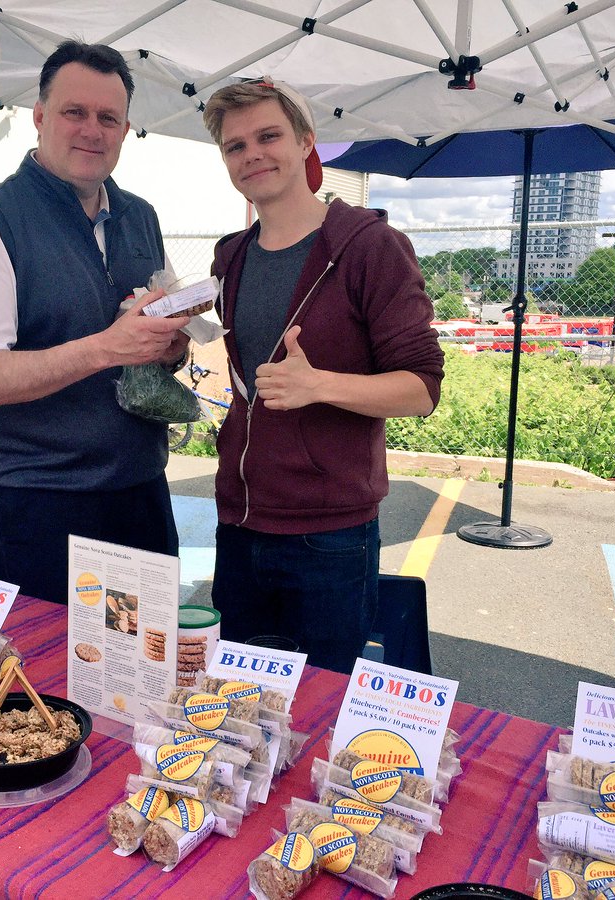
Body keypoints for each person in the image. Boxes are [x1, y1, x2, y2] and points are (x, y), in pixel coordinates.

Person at [201, 79, 445, 672]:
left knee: (321, 708)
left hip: (329, 534)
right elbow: (245, 378)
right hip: (238, 522)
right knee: (239, 709)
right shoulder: (229, 255)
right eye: (235, 146)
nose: (252, 154)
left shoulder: (370, 247)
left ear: (307, 140)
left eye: (268, 136)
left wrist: (321, 386)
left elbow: (422, 388)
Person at [0, 41, 189, 604]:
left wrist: (170, 344)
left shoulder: (140, 216)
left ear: (126, 131)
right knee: (60, 683)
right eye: (75, 112)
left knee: (145, 670)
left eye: (109, 118)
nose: (91, 131)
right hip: (40, 501)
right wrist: (109, 347)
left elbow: (162, 342)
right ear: (40, 118)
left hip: (139, 486)